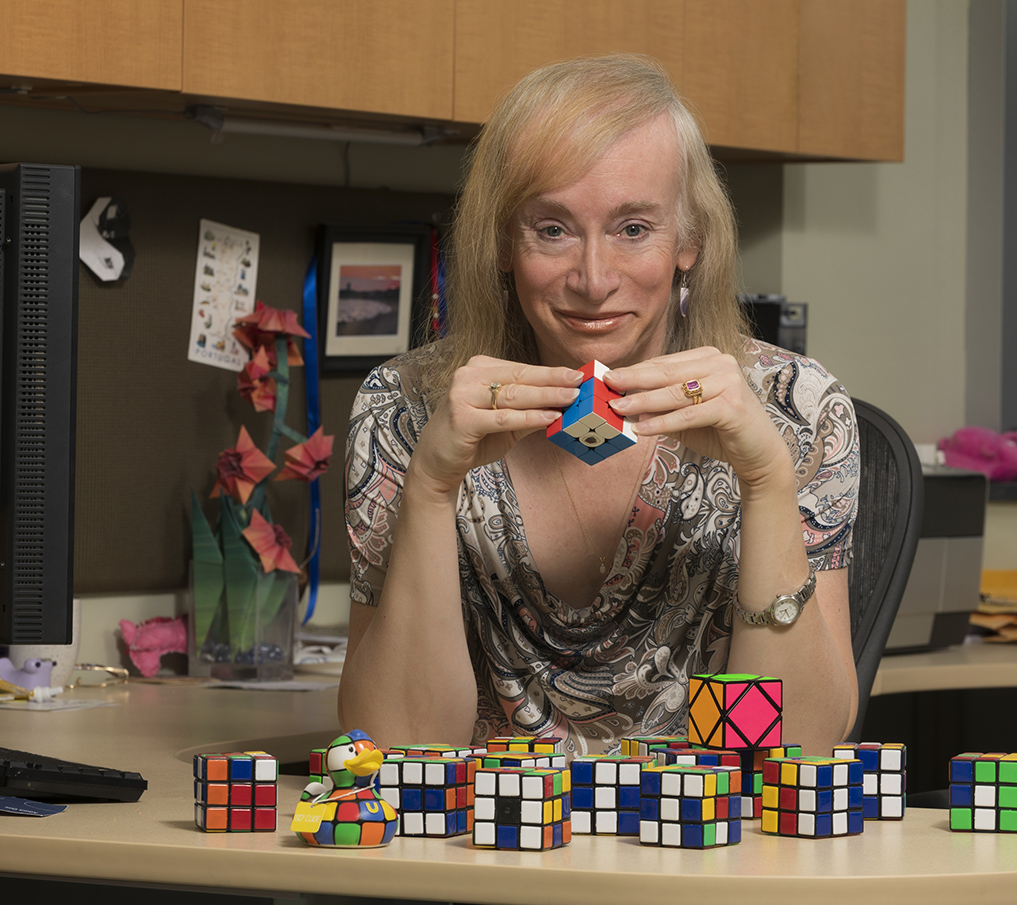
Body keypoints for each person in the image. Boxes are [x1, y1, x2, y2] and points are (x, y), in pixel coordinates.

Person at [339, 54, 859, 758]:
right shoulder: (401, 408)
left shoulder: (797, 410)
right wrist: (431, 486)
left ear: (690, 241)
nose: (593, 278)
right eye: (551, 229)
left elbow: (793, 751)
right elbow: (399, 747)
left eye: (633, 228)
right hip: (486, 850)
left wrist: (766, 479)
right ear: (501, 243)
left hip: (708, 851)